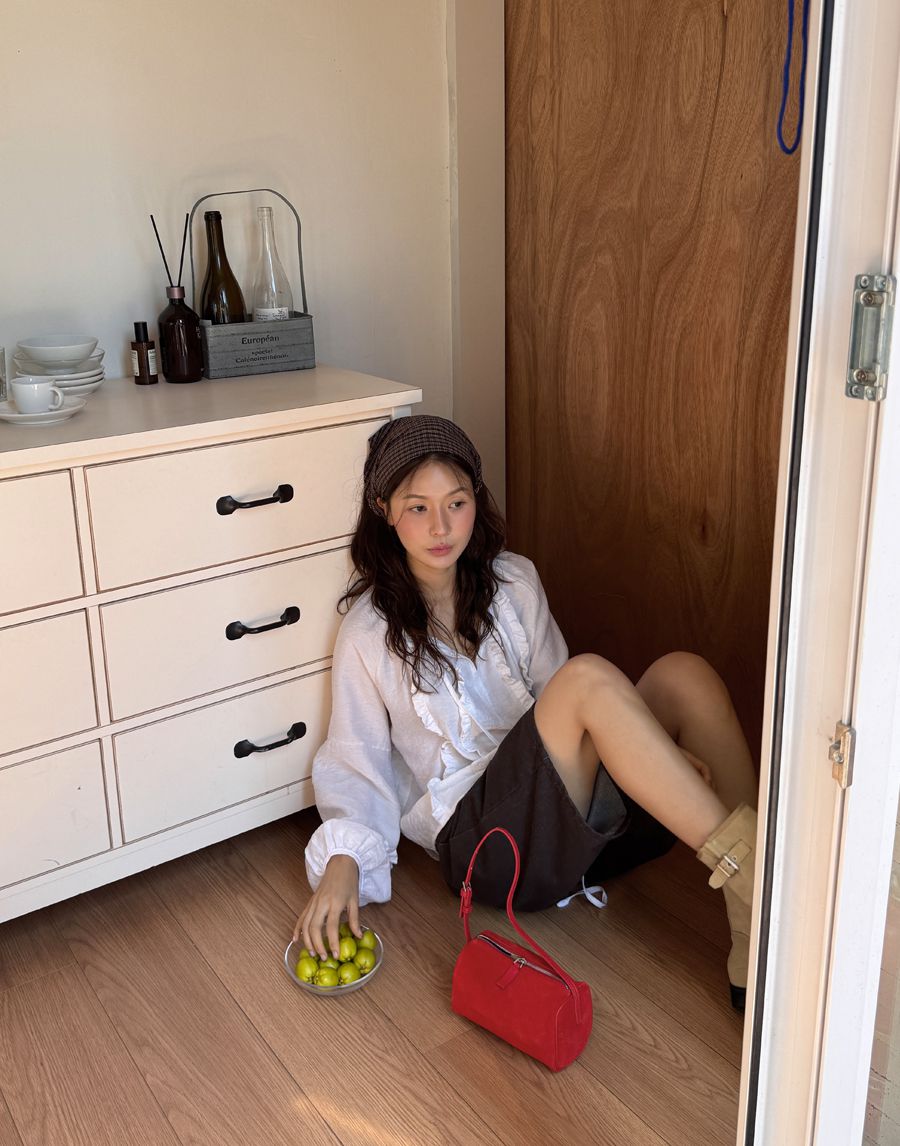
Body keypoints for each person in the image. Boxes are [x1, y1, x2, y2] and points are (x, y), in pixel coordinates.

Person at [294, 415, 759, 1011]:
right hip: (492, 853)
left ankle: (752, 925)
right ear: (384, 510)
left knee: (684, 675)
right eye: (418, 508)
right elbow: (356, 759)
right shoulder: (368, 633)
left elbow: (564, 708)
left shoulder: (514, 581)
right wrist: (343, 860)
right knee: (585, 678)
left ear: (476, 499)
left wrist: (648, 755)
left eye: (456, 503)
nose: (441, 527)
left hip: (567, 821)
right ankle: (765, 882)